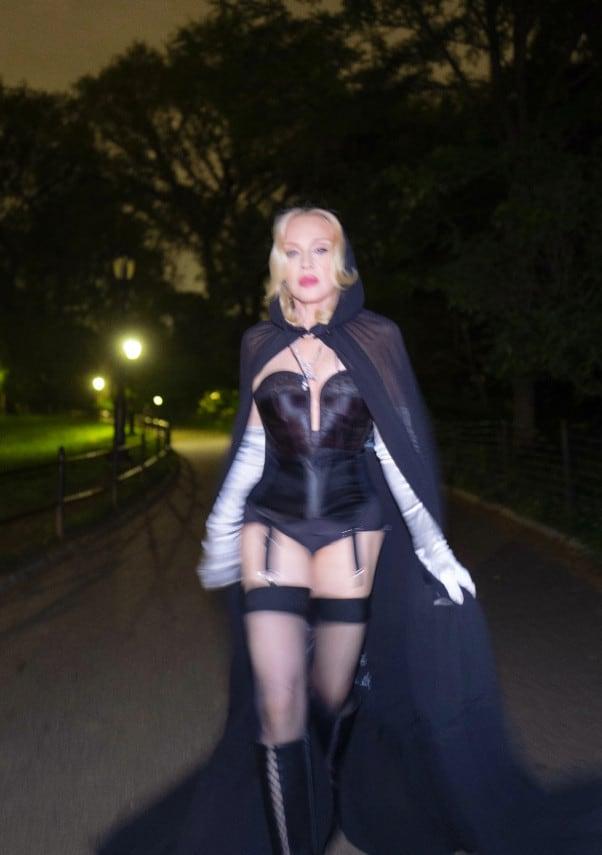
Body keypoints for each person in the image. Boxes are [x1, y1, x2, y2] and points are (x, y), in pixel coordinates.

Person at [98, 207, 601, 855]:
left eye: (320, 249)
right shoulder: (259, 343)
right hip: (272, 528)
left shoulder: (377, 337)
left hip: (351, 533)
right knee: (278, 704)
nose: (307, 264)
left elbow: (396, 450)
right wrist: (220, 529)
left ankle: (334, 782)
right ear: (278, 263)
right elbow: (252, 447)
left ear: (340, 259)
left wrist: (435, 549)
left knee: (328, 699)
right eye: (293, 251)